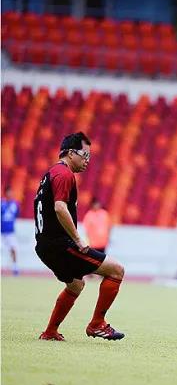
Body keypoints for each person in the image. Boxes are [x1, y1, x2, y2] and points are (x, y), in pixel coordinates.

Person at [35, 132, 125, 341]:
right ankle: (97, 324)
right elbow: (59, 208)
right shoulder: (64, 174)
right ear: (70, 153)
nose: (87, 160)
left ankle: (50, 332)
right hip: (60, 245)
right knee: (116, 270)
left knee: (76, 284)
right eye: (85, 155)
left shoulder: (51, 174)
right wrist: (77, 239)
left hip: (44, 245)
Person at [1, 186, 20, 276]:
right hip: (1, 231)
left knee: (14, 248)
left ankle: (15, 267)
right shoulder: (2, 204)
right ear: (5, 193)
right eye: (8, 192)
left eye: (11, 192)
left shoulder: (15, 204)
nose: (10, 194)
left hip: (10, 231)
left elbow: (16, 215)